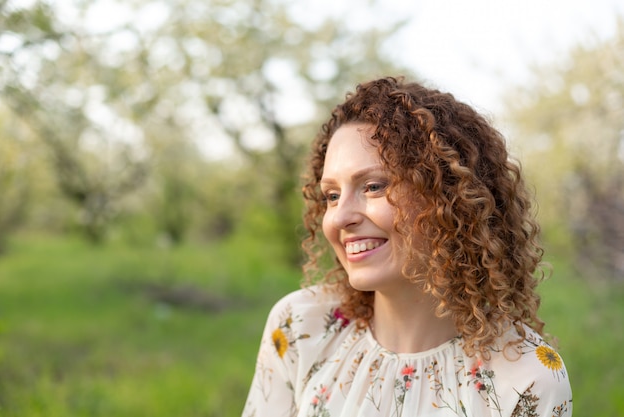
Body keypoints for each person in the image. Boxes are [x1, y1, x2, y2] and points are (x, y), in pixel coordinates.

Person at [242, 76, 572, 417]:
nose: (340, 218)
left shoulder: (525, 379)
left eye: (372, 186)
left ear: (448, 196)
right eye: (332, 195)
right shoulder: (301, 326)